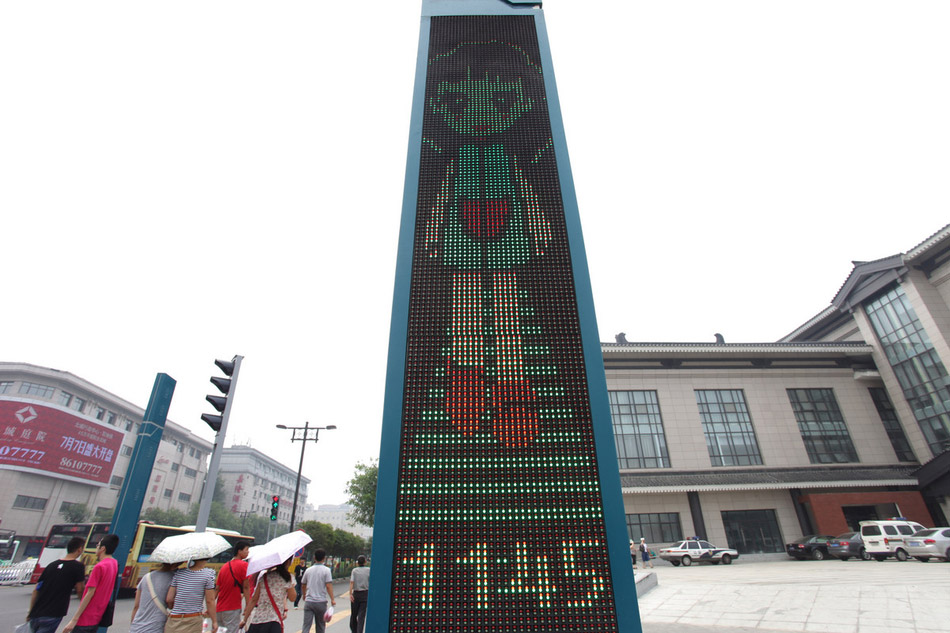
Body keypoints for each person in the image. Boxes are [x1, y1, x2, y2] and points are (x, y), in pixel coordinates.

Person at [26, 536, 86, 633]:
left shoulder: (51, 565)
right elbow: (80, 589)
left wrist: (30, 612)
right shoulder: (78, 566)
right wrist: (83, 603)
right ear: (79, 549)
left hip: (36, 613)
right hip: (53, 614)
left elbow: (36, 589)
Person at [63, 533, 120, 633]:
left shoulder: (99, 567)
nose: (96, 547)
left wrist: (74, 619)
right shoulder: (114, 563)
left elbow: (90, 593)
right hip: (97, 617)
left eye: (98, 545)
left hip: (85, 618)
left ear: (103, 549)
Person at [240, 558, 295, 633]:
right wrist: (291, 584)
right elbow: (293, 598)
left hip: (258, 620)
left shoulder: (264, 577)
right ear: (288, 562)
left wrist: (244, 620)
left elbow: (254, 600)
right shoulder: (287, 578)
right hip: (274, 621)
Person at [165, 558, 217, 633]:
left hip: (174, 619)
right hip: (193, 620)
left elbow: (169, 599)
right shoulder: (209, 574)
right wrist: (214, 621)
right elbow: (210, 601)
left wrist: (175, 607)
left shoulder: (179, 573)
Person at [130, 562, 180, 633]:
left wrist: (132, 626)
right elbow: (170, 602)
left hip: (137, 627)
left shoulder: (146, 577)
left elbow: (136, 606)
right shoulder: (174, 579)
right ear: (175, 564)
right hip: (156, 627)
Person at [216, 541, 251, 633]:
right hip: (232, 607)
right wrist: (248, 604)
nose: (248, 552)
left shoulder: (224, 566)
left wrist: (210, 607)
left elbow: (217, 588)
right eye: (246, 550)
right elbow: (246, 587)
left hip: (219, 609)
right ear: (239, 551)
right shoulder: (244, 565)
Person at [300, 549, 335, 633]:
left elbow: (303, 584)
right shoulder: (327, 570)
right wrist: (332, 599)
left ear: (314, 558)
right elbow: (328, 586)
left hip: (309, 602)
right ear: (324, 558)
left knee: (306, 626)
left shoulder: (308, 570)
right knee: (320, 626)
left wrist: (304, 595)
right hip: (321, 602)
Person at [348, 555, 369, 633]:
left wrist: (350, 594)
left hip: (356, 594)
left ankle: (354, 630)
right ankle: (359, 631)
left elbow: (351, 582)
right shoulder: (368, 570)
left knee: (354, 615)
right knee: (361, 616)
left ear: (357, 563)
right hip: (365, 594)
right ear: (365, 562)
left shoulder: (354, 570)